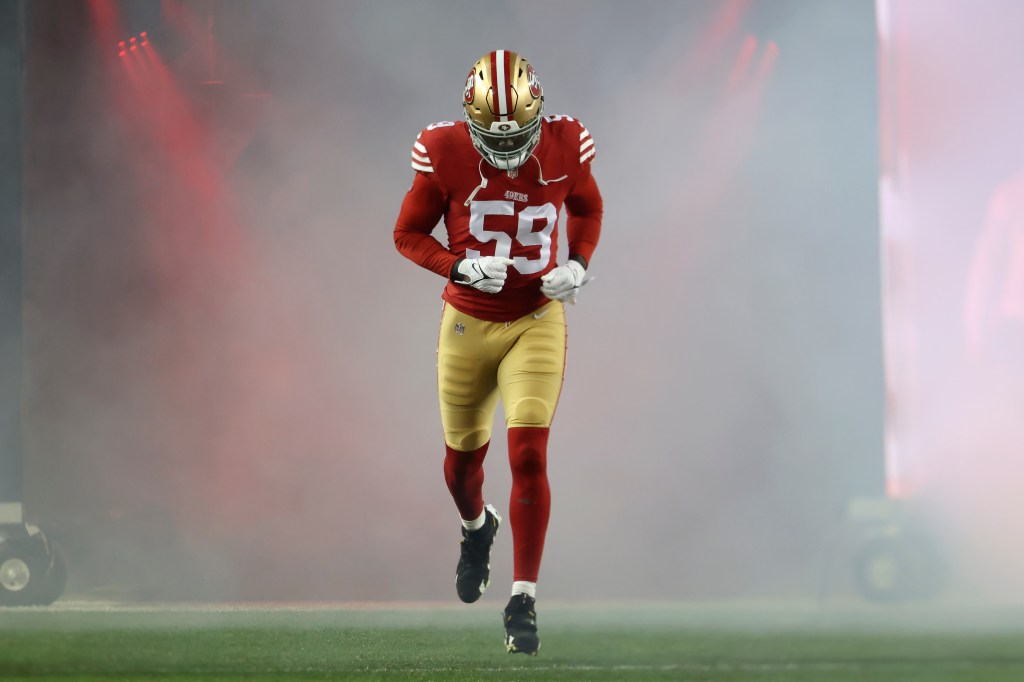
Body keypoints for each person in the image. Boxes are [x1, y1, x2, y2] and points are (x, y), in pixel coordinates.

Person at [393, 49, 602, 655]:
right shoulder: (443, 149)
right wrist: (458, 264)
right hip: (468, 321)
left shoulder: (568, 142)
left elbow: (588, 207)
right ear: (468, 121)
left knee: (529, 453)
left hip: (536, 316)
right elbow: (406, 233)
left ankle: (523, 599)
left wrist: (578, 265)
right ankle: (476, 527)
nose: (506, 152)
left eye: (518, 137)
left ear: (541, 113)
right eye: (489, 137)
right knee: (462, 466)